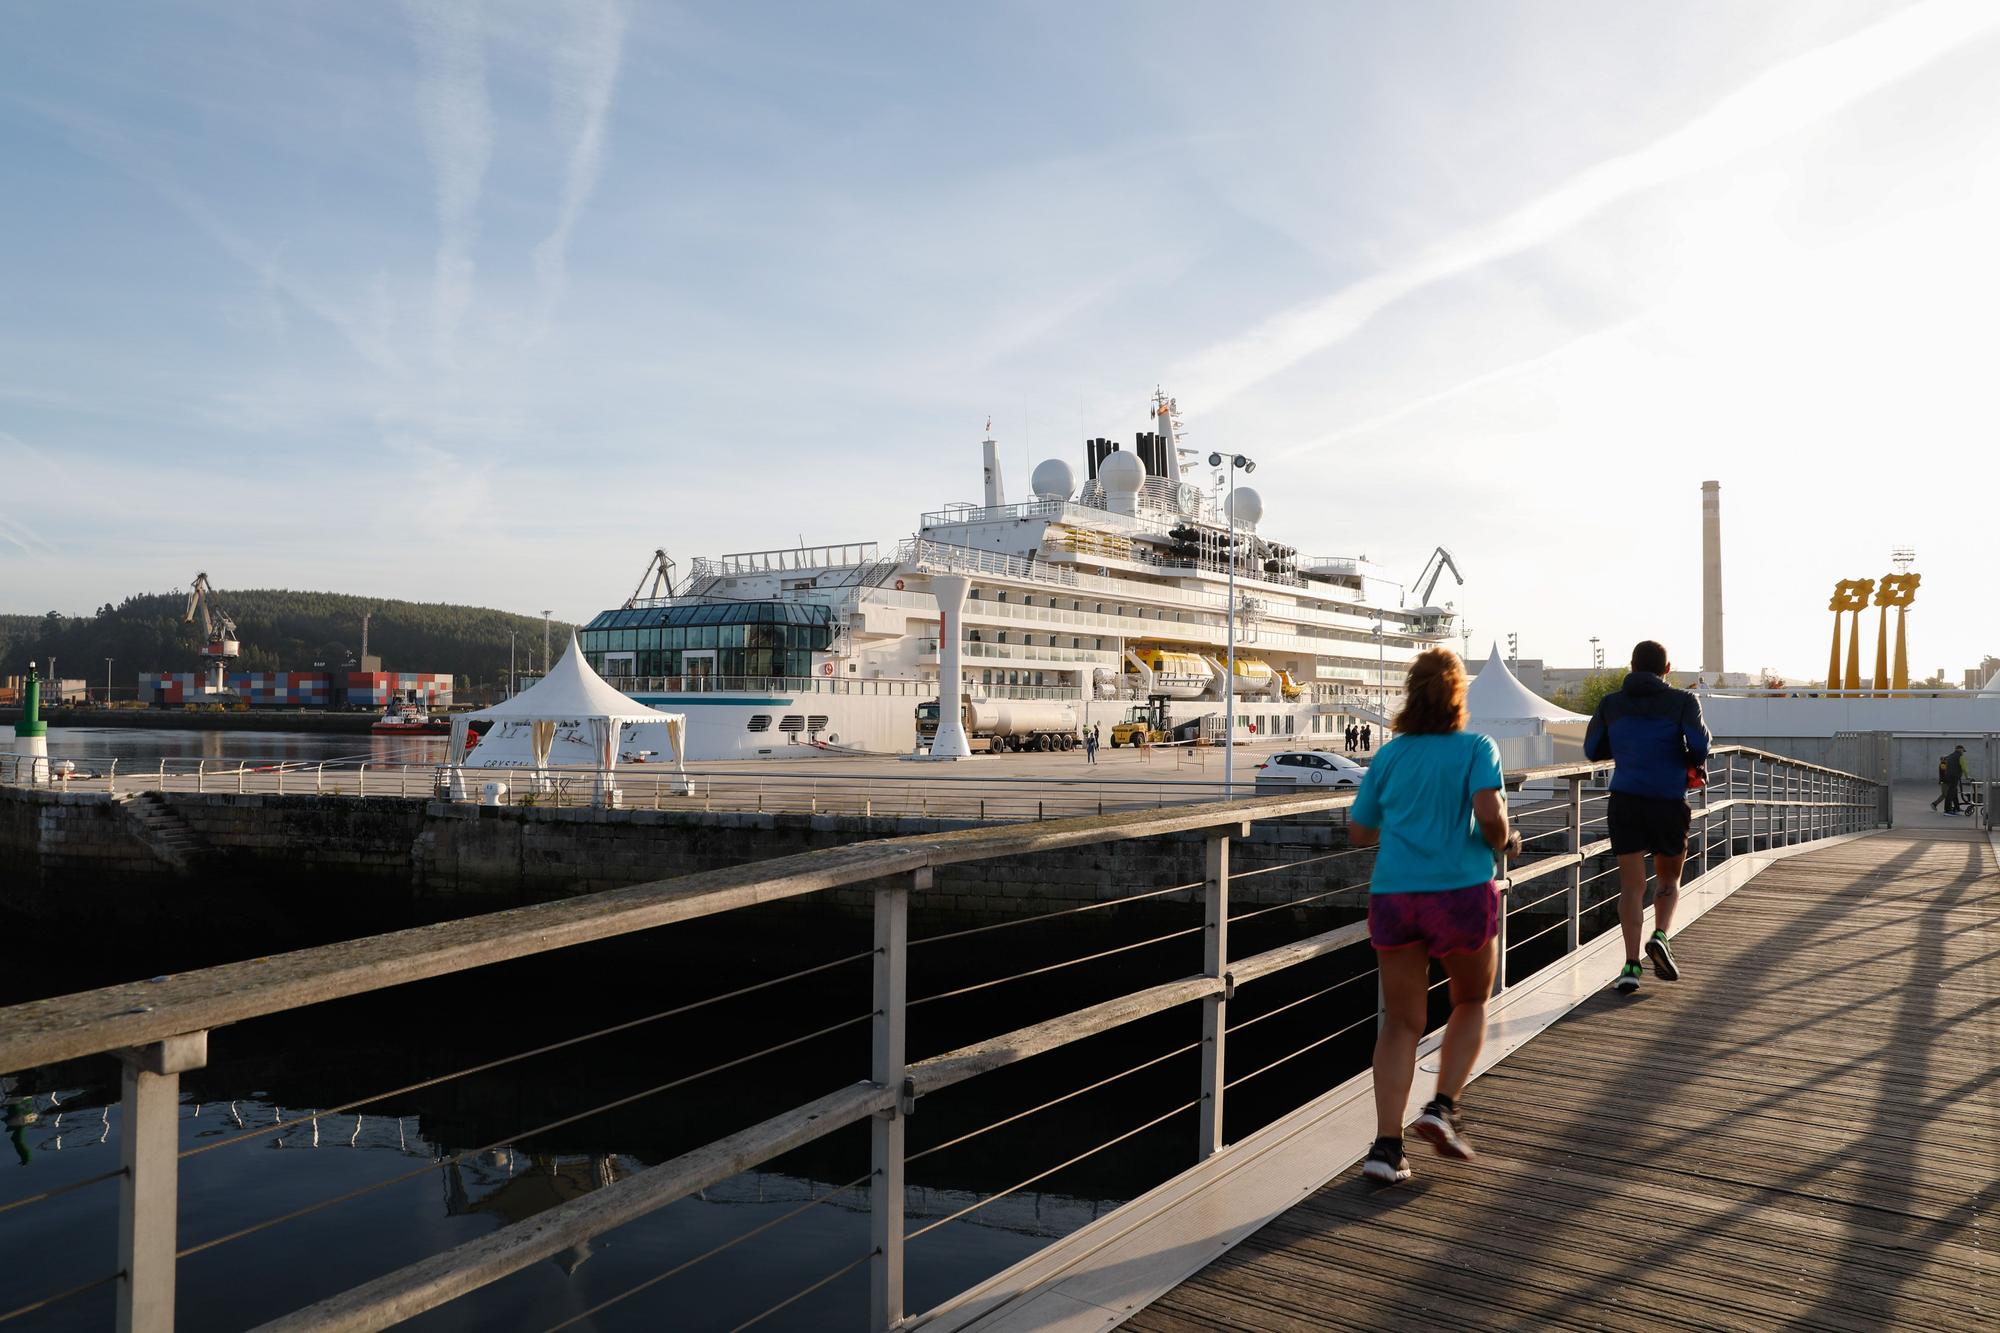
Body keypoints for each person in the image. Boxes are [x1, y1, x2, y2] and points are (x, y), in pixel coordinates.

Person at [1349, 648, 1520, 1184]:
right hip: (1459, 891)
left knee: (1401, 1022)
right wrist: (1504, 840)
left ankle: (1385, 1147)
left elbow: (1361, 832)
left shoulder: (1390, 755)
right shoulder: (1476, 746)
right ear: (1457, 697)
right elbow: (1490, 815)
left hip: (1395, 893)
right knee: (1470, 1000)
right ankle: (1441, 1108)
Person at [1583, 640, 1711, 995]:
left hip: (1625, 801)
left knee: (1631, 887)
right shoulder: (1684, 701)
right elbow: (1701, 746)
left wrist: (1626, 748)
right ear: (1667, 670)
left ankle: (1630, 966)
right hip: (1668, 801)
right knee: (1668, 882)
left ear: (1631, 666)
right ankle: (1660, 937)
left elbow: (1593, 749)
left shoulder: (1611, 703)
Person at [1937, 744, 1970, 814]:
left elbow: (1943, 768)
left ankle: (1956, 808)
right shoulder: (1960, 756)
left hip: (1948, 777)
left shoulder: (1949, 756)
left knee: (1954, 792)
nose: (1963, 752)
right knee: (1950, 793)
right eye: (1963, 751)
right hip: (1954, 776)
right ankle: (1947, 810)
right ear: (1960, 749)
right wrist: (1967, 777)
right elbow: (1964, 767)